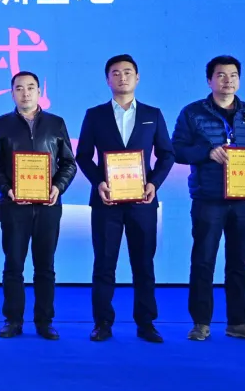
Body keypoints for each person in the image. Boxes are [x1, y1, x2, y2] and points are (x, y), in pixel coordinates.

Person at [172, 55, 245, 342]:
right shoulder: (192, 113)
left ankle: (238, 322)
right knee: (203, 261)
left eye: (233, 75)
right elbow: (176, 150)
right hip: (209, 199)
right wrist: (206, 152)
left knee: (240, 263)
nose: (227, 80)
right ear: (209, 80)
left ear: (239, 80)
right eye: (220, 75)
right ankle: (201, 323)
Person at [75, 55, 175, 343]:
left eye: (128, 72)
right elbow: (83, 156)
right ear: (107, 80)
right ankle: (102, 323)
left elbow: (167, 154)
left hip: (142, 202)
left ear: (138, 77)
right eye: (116, 73)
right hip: (106, 202)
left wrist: (154, 183)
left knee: (143, 264)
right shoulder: (95, 115)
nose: (122, 77)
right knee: (104, 264)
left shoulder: (152, 114)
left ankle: (146, 323)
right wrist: (99, 182)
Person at [0, 71, 76, 340]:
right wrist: (7, 189)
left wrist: (58, 187)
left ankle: (44, 321)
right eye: (19, 88)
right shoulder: (1, 124)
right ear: (12, 93)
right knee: (13, 264)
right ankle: (13, 320)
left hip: (48, 206)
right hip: (14, 205)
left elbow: (69, 163)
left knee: (45, 266)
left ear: (39, 92)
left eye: (31, 88)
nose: (25, 93)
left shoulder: (56, 123)